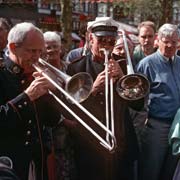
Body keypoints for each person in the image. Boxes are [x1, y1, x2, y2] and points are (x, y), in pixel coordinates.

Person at [65, 16, 142, 180]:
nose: (107, 45)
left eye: (111, 41)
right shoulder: (76, 67)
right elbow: (70, 109)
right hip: (90, 144)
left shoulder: (124, 65)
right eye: (101, 40)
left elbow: (138, 105)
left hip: (121, 142)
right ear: (90, 38)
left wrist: (123, 79)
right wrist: (93, 89)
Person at [0, 22, 62, 180]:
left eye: (40, 51)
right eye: (31, 51)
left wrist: (50, 93)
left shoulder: (33, 74)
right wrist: (27, 97)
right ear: (13, 47)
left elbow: (52, 120)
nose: (37, 57)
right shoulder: (2, 74)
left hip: (37, 161)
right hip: (9, 164)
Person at [136, 23, 180, 180]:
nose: (169, 45)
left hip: (178, 126)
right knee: (151, 170)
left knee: (172, 170)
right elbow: (136, 100)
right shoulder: (146, 64)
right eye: (165, 41)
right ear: (158, 40)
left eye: (173, 42)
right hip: (157, 126)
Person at [43, 31, 77, 180]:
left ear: (61, 48)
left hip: (74, 126)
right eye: (47, 47)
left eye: (55, 46)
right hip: (54, 128)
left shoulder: (70, 68)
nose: (51, 51)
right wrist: (63, 120)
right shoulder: (40, 71)